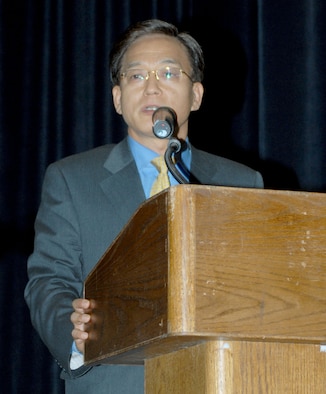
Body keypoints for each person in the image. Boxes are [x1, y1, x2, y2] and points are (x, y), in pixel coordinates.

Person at [24, 19, 264, 394]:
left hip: (219, 378)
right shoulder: (71, 179)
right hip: (115, 381)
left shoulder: (242, 182)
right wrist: (74, 331)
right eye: (136, 76)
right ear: (118, 98)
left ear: (196, 95)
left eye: (169, 72)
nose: (152, 86)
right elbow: (48, 281)